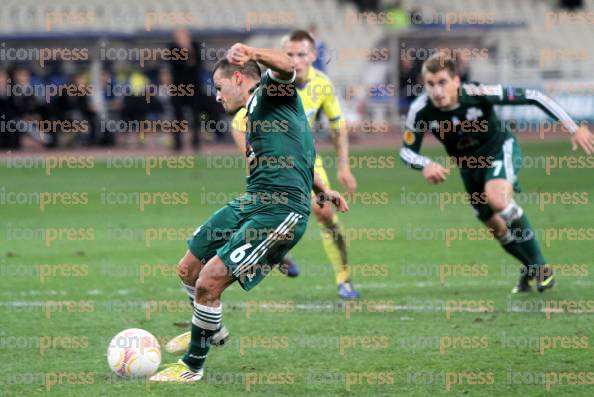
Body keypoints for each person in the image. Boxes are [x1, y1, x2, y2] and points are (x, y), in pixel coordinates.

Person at [150, 43, 349, 382]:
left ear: (239, 77)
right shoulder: (255, 114)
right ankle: (210, 327)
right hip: (252, 201)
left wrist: (253, 51)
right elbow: (296, 153)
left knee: (209, 281)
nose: (216, 97)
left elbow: (287, 66)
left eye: (218, 87)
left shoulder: (270, 94)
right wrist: (323, 189)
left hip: (280, 210)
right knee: (188, 269)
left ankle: (192, 366)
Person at [399, 53, 593, 293]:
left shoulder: (478, 94)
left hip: (500, 151)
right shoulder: (421, 110)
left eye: (442, 82)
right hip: (468, 169)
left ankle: (542, 268)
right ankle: (530, 265)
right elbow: (406, 152)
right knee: (497, 228)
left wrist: (573, 128)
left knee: (498, 199)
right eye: (430, 84)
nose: (437, 91)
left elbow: (533, 96)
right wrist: (425, 164)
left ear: (456, 80)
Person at [231, 30, 360, 299]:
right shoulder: (273, 83)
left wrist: (344, 166)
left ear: (313, 56)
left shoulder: (321, 84)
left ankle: (344, 278)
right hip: (272, 161)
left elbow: (338, 128)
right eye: (289, 54)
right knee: (273, 212)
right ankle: (274, 253)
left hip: (306, 160)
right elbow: (242, 122)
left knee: (325, 213)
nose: (296, 60)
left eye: (302, 54)